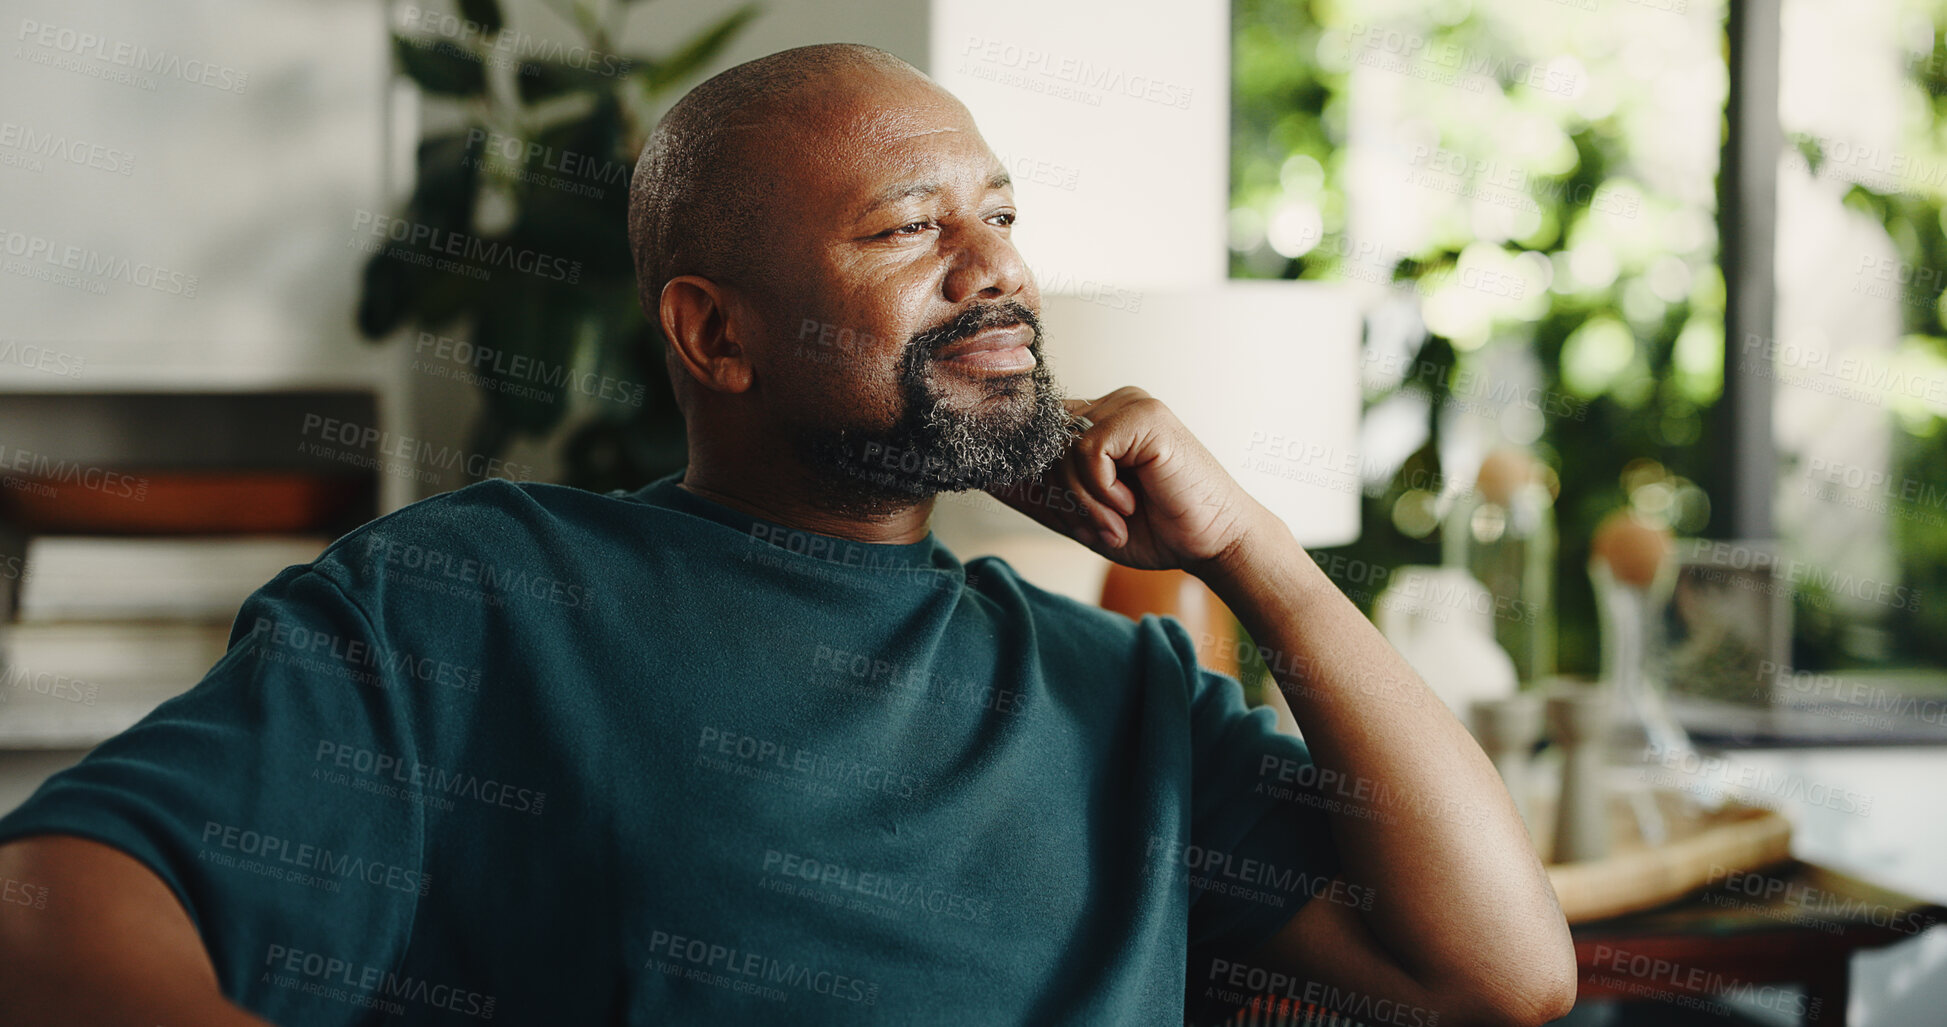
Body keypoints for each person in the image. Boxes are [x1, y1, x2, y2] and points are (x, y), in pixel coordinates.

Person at [0, 43, 1575, 1026]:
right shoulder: (478, 592)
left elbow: (1500, 974)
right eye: (908, 229)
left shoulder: (1118, 688)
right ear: (716, 334)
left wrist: (1260, 558)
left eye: (1003, 215)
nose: (993, 270)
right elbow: (51, 911)